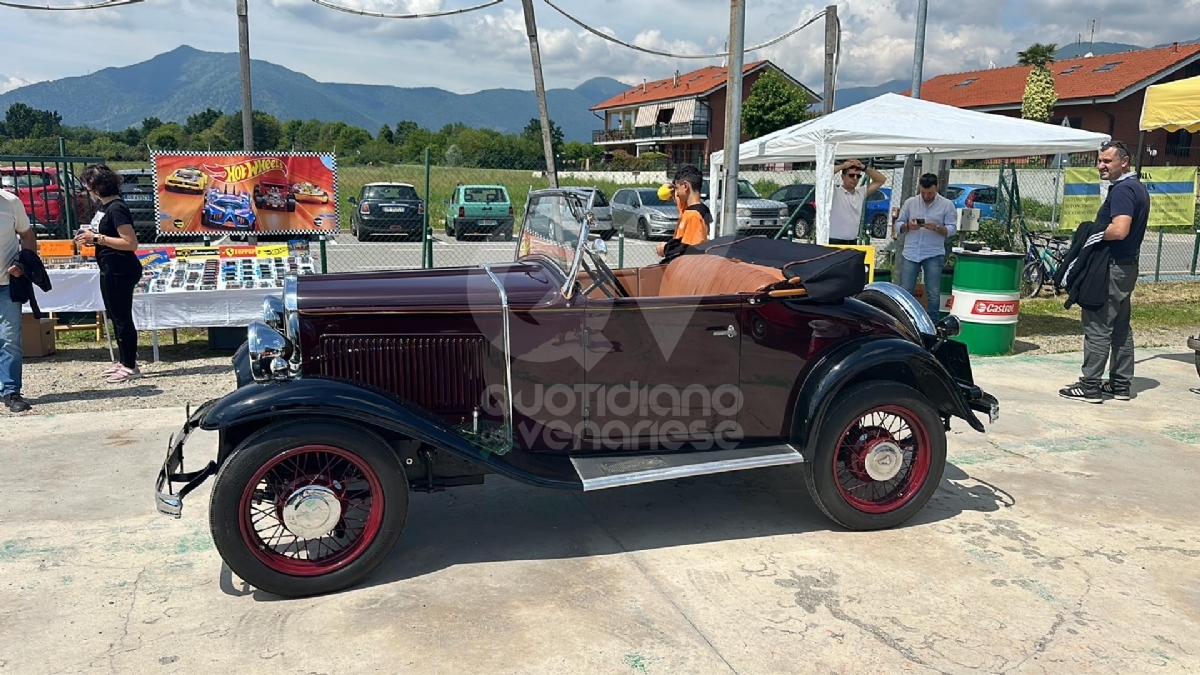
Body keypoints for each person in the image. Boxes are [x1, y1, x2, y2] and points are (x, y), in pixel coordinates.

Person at [1059, 140, 1149, 404]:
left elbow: (1120, 229)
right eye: (1100, 160)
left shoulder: (1122, 190)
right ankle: (1120, 385)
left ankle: (1090, 387)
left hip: (1110, 268)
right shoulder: (1138, 188)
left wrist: (1092, 233)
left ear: (1125, 162)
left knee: (1098, 326)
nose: (1101, 165)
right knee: (1121, 327)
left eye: (1107, 161)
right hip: (1126, 267)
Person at [75, 165, 144, 383]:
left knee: (122, 317)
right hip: (108, 266)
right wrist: (88, 236)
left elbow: (130, 242)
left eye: (87, 184)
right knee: (116, 316)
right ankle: (125, 359)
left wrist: (97, 239)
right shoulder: (104, 207)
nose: (85, 188)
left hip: (120, 268)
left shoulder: (116, 208)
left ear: (97, 186)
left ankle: (130, 365)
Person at [895, 173, 957, 319]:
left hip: (933, 253)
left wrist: (936, 227)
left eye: (930, 193)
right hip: (911, 252)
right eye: (923, 192)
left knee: (933, 292)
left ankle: (934, 323)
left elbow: (952, 230)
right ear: (919, 188)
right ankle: (905, 321)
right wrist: (908, 226)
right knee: (906, 290)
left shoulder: (947, 205)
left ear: (937, 188)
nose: (926, 196)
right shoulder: (910, 202)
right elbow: (898, 226)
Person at [1, 187, 36, 413]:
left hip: (7, 282)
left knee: (9, 337)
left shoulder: (11, 202)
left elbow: (28, 236)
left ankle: (11, 391)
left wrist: (24, 264)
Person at [656, 165, 712, 259]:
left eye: (677, 188)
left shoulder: (694, 215)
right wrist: (673, 188)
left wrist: (665, 249)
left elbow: (692, 250)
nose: (676, 193)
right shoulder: (697, 209)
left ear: (686, 186)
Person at [829, 159, 886, 245]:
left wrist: (864, 168)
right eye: (851, 175)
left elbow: (881, 179)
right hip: (834, 242)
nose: (855, 178)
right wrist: (843, 166)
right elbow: (824, 174)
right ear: (843, 177)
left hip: (853, 241)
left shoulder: (860, 192)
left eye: (858, 176)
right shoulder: (835, 191)